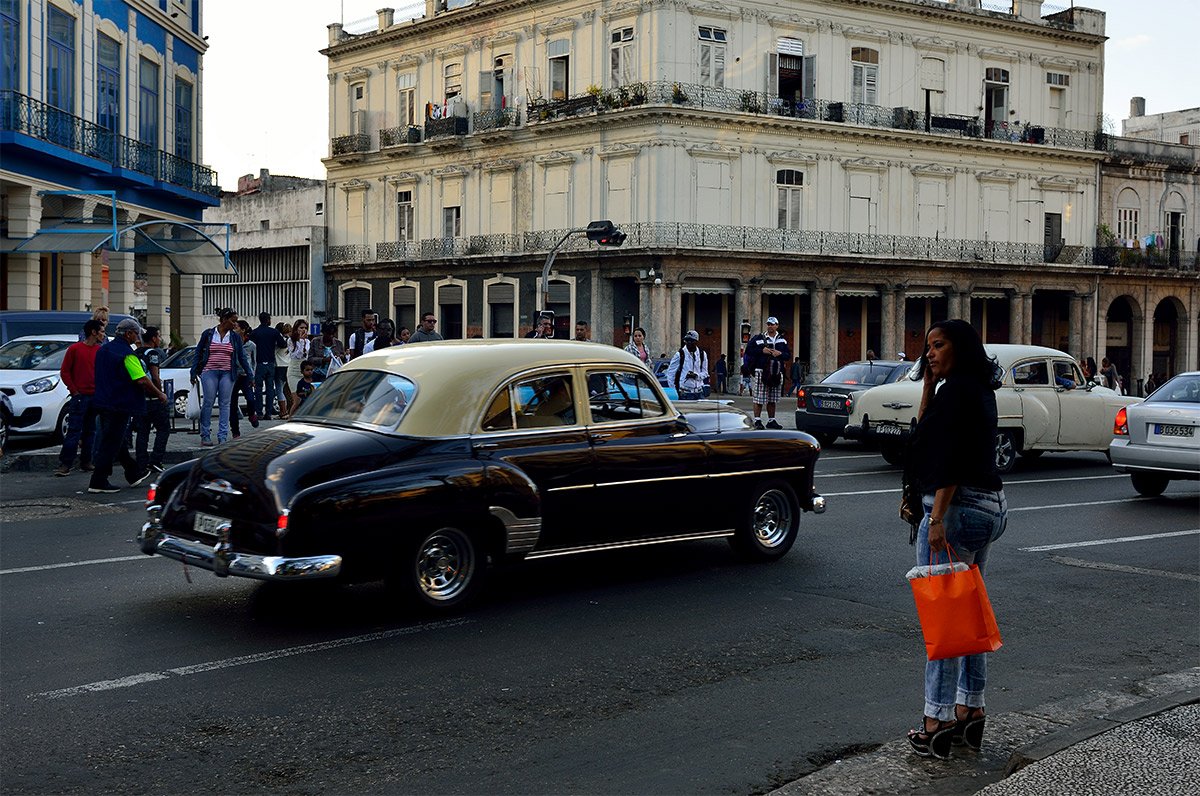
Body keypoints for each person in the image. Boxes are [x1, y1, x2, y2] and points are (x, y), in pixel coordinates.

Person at [905, 318, 1007, 760]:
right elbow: (931, 434)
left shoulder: (958, 392)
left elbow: (948, 459)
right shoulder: (975, 389)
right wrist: (928, 387)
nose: (930, 353)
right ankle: (971, 710)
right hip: (989, 507)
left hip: (957, 509)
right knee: (968, 616)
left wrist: (937, 518)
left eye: (938, 345)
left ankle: (937, 721)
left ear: (959, 348)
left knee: (944, 620)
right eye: (927, 347)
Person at [88, 318, 167, 493]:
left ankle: (133, 473)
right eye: (135, 333)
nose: (137, 337)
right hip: (119, 404)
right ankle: (98, 480)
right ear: (128, 333)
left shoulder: (103, 350)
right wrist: (159, 393)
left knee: (115, 439)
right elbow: (141, 380)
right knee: (111, 441)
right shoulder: (127, 355)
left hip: (102, 401)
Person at [191, 308, 255, 447]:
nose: (235, 324)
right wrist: (193, 371)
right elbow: (198, 353)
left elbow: (242, 357)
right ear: (224, 320)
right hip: (209, 371)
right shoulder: (208, 334)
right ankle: (205, 435)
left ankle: (223, 436)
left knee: (225, 404)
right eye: (233, 320)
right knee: (208, 402)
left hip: (228, 373)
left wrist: (250, 374)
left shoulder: (235, 337)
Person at [56, 319, 105, 476]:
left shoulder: (99, 351)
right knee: (74, 430)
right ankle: (66, 464)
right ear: (93, 332)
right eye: (102, 331)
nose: (103, 335)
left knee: (90, 431)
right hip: (80, 396)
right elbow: (65, 372)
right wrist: (74, 390)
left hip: (94, 396)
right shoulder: (75, 349)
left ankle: (86, 462)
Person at [133, 326, 171, 473]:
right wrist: (160, 394)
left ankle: (141, 463)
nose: (160, 339)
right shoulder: (152, 353)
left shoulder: (136, 353)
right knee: (163, 429)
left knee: (143, 432)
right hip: (153, 398)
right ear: (154, 338)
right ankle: (156, 460)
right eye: (159, 336)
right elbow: (155, 377)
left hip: (139, 399)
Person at [746, 316, 791, 429]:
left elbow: (788, 356)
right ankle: (757, 420)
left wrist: (780, 353)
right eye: (768, 324)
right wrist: (762, 350)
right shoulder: (759, 338)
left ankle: (771, 420)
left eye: (772, 324)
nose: (770, 326)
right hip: (762, 371)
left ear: (777, 325)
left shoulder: (782, 340)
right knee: (759, 398)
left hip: (776, 372)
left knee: (772, 398)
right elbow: (748, 350)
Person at [249, 312, 286, 419]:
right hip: (270, 363)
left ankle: (259, 412)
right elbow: (283, 344)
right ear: (268, 320)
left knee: (258, 389)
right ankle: (268, 413)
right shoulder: (273, 332)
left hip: (259, 363)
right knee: (270, 388)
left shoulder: (255, 333)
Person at [228, 320, 260, 440]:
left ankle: (252, 414)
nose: (233, 328)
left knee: (251, 399)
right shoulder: (231, 343)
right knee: (233, 405)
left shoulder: (251, 345)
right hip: (233, 376)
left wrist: (252, 375)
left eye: (236, 327)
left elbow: (254, 362)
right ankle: (235, 431)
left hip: (246, 376)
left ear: (243, 329)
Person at [666, 330, 709, 400]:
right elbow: (670, 373)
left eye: (691, 341)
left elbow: (705, 373)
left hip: (699, 392)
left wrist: (696, 376)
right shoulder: (680, 354)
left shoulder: (702, 354)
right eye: (686, 341)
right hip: (685, 392)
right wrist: (674, 390)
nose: (688, 343)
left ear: (696, 342)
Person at [285, 319, 310, 399]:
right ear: (296, 329)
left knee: (305, 398)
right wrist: (301, 341)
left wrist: (304, 341)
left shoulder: (308, 341)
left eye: (305, 328)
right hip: (294, 371)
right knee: (297, 399)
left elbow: (305, 355)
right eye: (301, 328)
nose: (304, 330)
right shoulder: (291, 341)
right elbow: (296, 355)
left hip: (304, 371)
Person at [274, 322, 293, 418]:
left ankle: (283, 412)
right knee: (288, 390)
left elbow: (273, 353)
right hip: (288, 366)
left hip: (279, 366)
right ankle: (290, 410)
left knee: (279, 389)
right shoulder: (292, 341)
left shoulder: (279, 342)